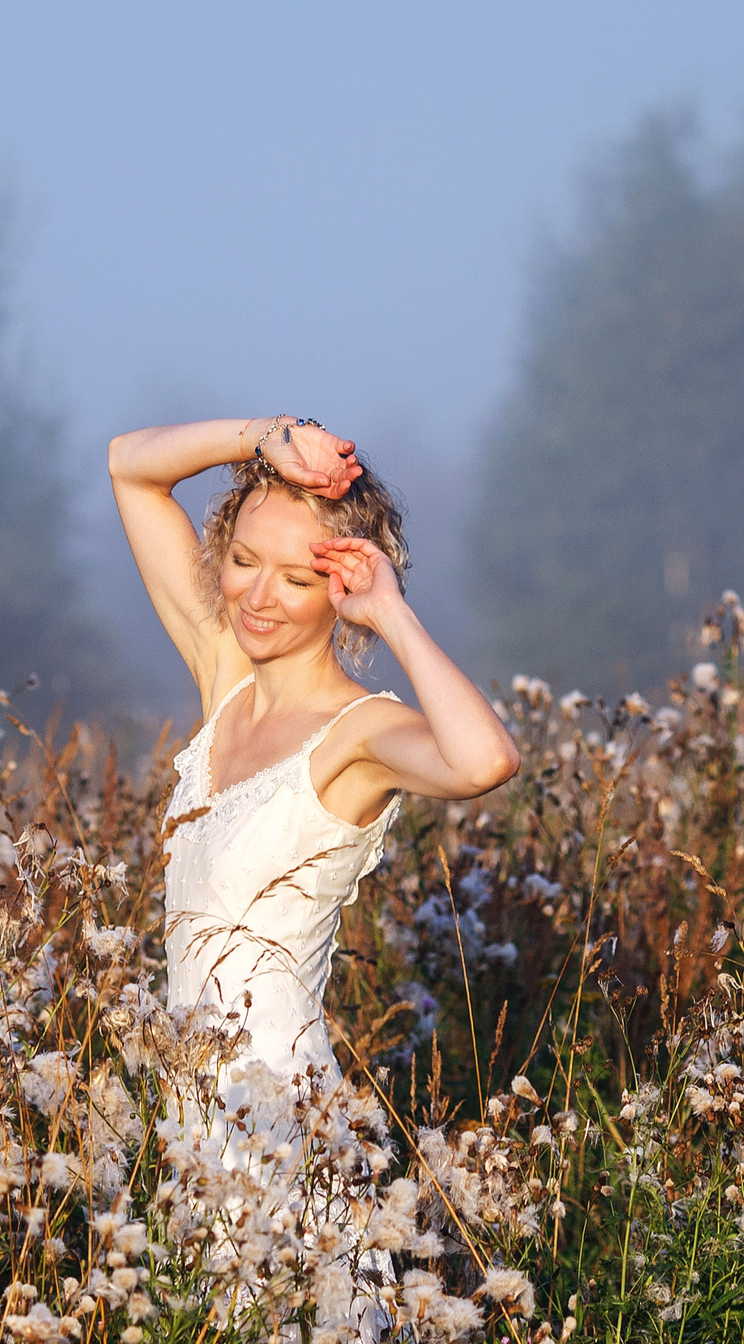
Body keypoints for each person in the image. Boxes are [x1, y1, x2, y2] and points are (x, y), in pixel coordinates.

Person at [107, 414, 519, 1097]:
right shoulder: (226, 680)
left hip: (280, 1120)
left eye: (297, 580)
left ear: (339, 590)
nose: (258, 597)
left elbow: (486, 762)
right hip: (191, 1121)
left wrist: (391, 613)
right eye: (242, 561)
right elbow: (130, 467)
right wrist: (265, 435)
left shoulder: (356, 733)